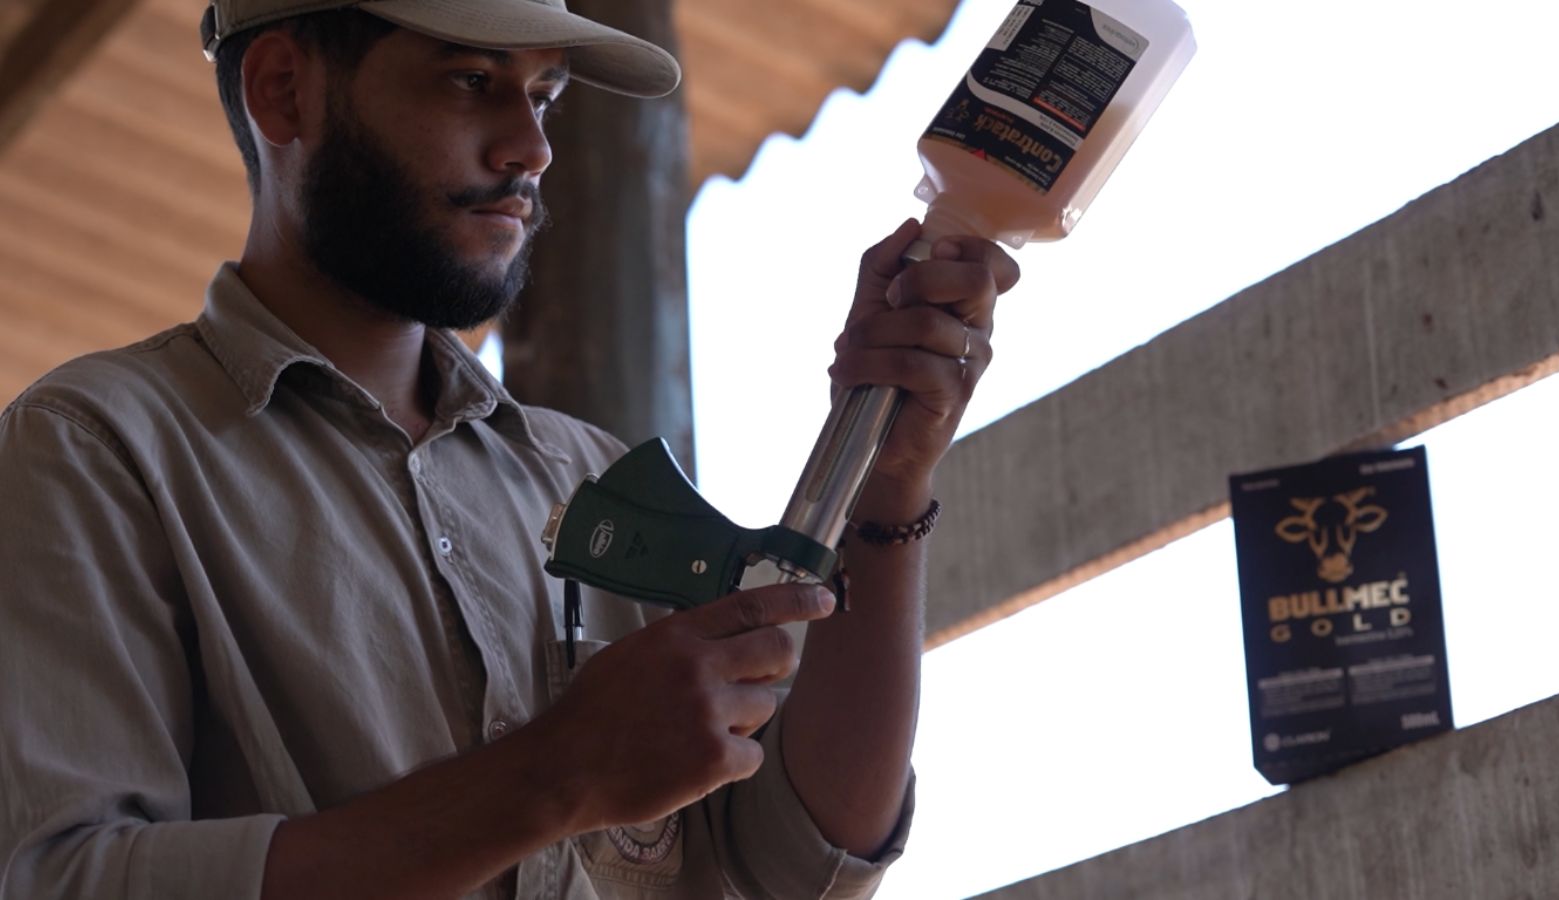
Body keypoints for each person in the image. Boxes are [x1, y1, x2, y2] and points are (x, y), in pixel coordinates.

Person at [0, 1, 1020, 897]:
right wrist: (558, 771)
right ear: (283, 92)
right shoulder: (97, 451)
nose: (529, 146)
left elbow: (798, 864)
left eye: (545, 94)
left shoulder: (584, 473)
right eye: (471, 81)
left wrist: (887, 484)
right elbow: (65, 881)